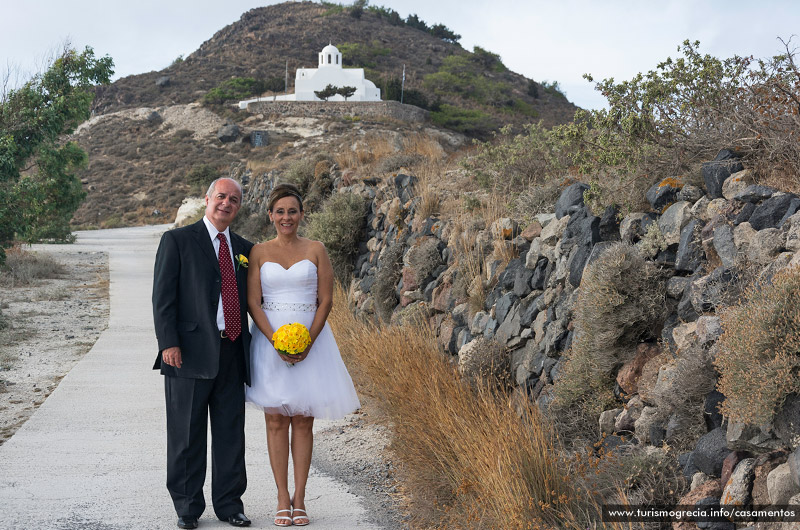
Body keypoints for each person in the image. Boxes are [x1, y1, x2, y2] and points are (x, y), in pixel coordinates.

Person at [245, 183, 360, 527]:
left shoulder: (316, 249)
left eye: (292, 211)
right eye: (279, 211)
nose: (286, 217)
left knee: (303, 419)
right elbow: (253, 302)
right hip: (269, 342)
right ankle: (282, 496)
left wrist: (307, 341)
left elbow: (326, 300)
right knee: (276, 419)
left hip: (312, 341)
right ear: (270, 215)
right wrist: (275, 340)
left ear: (301, 214)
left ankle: (301, 496)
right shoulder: (259, 252)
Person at [152, 177, 254, 529]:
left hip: (233, 351)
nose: (227, 203)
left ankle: (229, 505)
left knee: (230, 434)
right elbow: (163, 298)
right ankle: (187, 508)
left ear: (239, 207)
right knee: (186, 434)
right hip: (188, 353)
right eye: (221, 197)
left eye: (234, 200)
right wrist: (169, 343)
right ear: (207, 199)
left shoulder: (245, 248)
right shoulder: (178, 241)